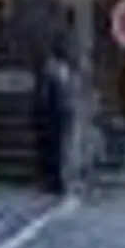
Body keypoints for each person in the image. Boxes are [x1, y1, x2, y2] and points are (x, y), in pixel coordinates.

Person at [34, 48, 72, 194]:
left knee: (55, 151)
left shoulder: (53, 76)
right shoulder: (58, 76)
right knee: (54, 151)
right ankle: (54, 181)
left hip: (55, 119)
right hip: (54, 118)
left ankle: (54, 181)